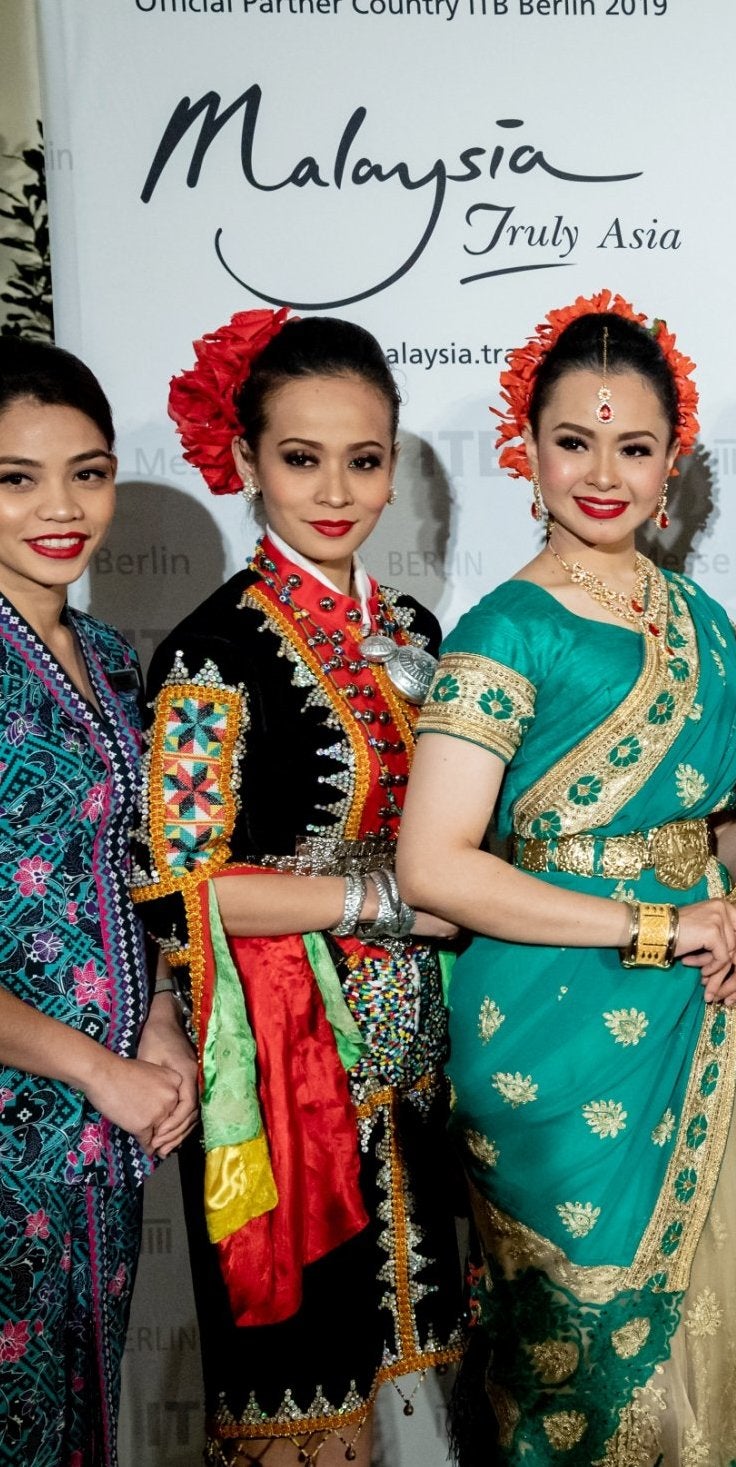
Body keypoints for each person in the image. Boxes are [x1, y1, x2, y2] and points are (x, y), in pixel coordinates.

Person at [397, 290, 736, 1467]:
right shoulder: (503, 632)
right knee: (580, 1377)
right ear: (529, 451)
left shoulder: (705, 621)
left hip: (696, 1018)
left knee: (711, 1368)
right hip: (550, 1030)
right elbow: (435, 866)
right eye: (575, 443)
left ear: (673, 463)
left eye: (634, 447)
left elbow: (721, 827)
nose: (603, 474)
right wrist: (658, 927)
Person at [133, 310, 465, 1466]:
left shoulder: (416, 635)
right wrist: (377, 905)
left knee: (429, 1360)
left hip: (422, 1060)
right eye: (300, 458)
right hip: (282, 1081)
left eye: (364, 460)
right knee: (308, 1384)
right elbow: (178, 895)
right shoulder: (212, 651)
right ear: (244, 462)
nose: (335, 491)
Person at [0, 341, 196, 1467]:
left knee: (80, 1421)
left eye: (89, 471)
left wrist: (159, 1024)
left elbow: (138, 872)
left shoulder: (118, 661)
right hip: (23, 1121)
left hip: (101, 1141)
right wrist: (94, 1066)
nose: (61, 508)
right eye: (17, 478)